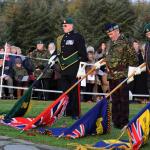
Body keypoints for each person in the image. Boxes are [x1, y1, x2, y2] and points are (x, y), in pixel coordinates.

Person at [104, 23, 138, 129]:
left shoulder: (125, 42)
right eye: (109, 34)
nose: (110, 36)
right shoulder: (110, 43)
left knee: (123, 99)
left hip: (122, 75)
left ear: (117, 30)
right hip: (111, 75)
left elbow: (134, 59)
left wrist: (130, 70)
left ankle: (124, 122)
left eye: (112, 33)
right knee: (114, 99)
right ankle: (115, 121)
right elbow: (108, 57)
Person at [56, 17, 87, 119]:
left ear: (71, 26)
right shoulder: (61, 38)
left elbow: (83, 54)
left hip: (75, 69)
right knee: (65, 91)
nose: (63, 27)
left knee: (75, 91)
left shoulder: (78, 37)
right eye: (63, 25)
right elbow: (58, 52)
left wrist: (81, 70)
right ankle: (67, 111)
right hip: (64, 69)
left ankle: (75, 113)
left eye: (65, 25)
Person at [143, 23, 150, 95]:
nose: (148, 34)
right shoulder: (147, 44)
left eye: (149, 32)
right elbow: (146, 58)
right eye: (147, 33)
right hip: (148, 71)